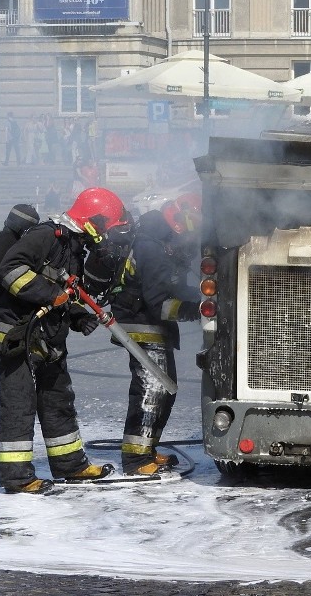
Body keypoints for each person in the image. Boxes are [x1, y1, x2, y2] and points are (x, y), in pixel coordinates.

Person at [0, 187, 133, 494]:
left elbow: (68, 290)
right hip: (19, 335)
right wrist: (50, 295)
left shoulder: (73, 246)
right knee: (20, 404)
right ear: (93, 222)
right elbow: (10, 271)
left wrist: (78, 315)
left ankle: (72, 466)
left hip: (48, 335)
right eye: (108, 226)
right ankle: (17, 478)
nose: (108, 234)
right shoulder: (46, 236)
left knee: (58, 399)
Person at [88, 193, 202, 476]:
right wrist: (197, 310)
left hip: (148, 323)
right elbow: (159, 302)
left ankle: (148, 448)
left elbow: (169, 285)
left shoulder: (161, 242)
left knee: (166, 388)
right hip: (141, 325)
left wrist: (200, 296)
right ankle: (136, 460)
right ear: (179, 220)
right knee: (152, 389)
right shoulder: (151, 247)